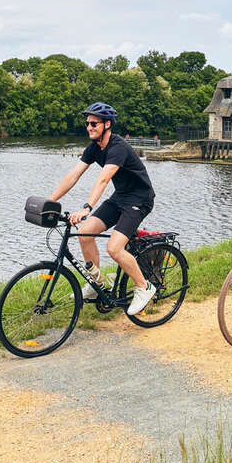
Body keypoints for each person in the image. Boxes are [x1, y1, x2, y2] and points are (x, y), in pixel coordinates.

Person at [49, 102, 157, 316]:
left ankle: (145, 287)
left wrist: (87, 207)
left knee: (114, 248)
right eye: (87, 123)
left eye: (94, 123)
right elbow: (74, 175)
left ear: (107, 124)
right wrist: (50, 201)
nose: (89, 127)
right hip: (120, 197)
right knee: (85, 233)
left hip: (140, 199)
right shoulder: (94, 148)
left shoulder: (118, 147)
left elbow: (103, 179)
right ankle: (98, 284)